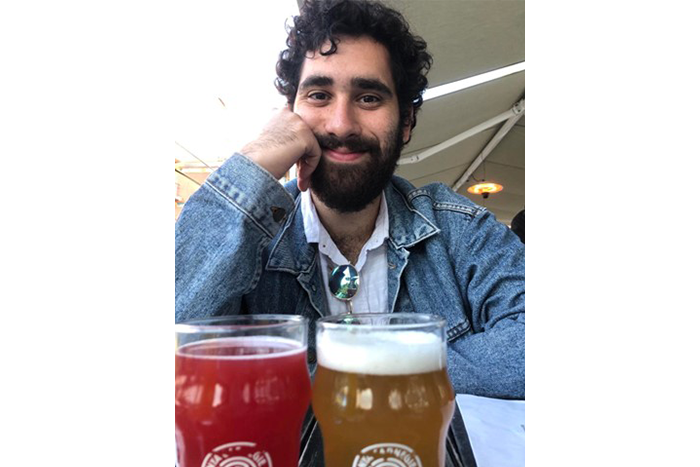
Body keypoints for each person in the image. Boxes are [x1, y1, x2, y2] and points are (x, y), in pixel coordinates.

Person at [175, 0, 524, 399]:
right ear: (289, 115)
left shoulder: (459, 227)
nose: (341, 124)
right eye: (319, 95)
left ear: (406, 122)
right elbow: (176, 352)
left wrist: (345, 379)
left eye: (369, 98)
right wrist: (254, 163)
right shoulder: (245, 238)